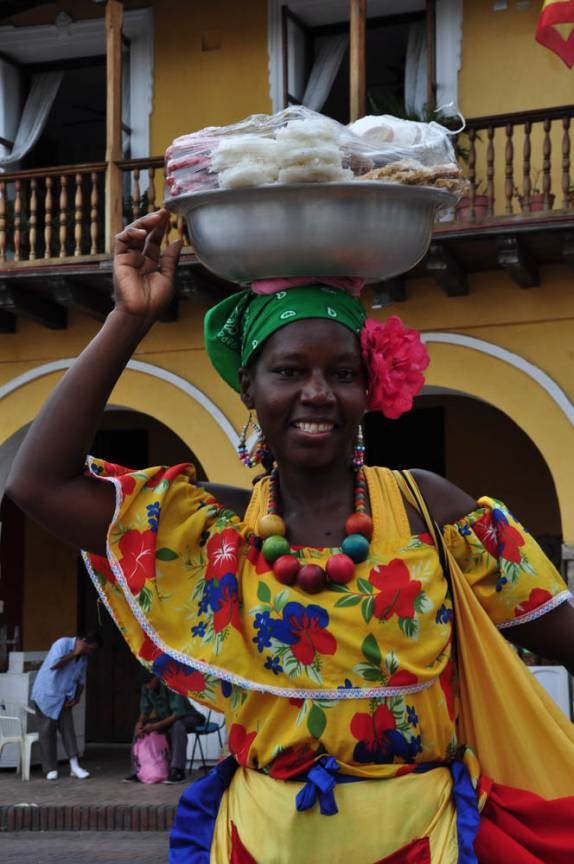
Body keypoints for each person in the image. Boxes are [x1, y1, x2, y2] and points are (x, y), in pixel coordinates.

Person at [6, 209, 574, 862]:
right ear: (248, 385)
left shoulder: (430, 509)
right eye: (288, 372)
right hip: (260, 841)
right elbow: (40, 484)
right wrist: (129, 317)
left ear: (370, 387)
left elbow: (562, 631)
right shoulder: (211, 530)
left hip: (423, 842)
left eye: (341, 373)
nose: (316, 393)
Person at [30, 631, 102, 780]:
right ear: (82, 641)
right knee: (46, 731)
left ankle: (75, 766)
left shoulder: (83, 659)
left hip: (63, 696)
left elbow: (81, 681)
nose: (90, 652)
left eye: (93, 650)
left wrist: (77, 698)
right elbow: (55, 665)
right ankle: (50, 769)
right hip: (46, 693)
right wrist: (75, 653)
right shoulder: (62, 644)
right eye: (89, 648)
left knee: (68, 730)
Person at [124, 674, 205, 784]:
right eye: (145, 684)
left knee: (178, 726)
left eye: (149, 682)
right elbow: (145, 710)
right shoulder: (146, 687)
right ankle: (137, 770)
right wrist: (140, 723)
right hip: (166, 718)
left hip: (188, 717)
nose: (148, 686)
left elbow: (178, 714)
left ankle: (178, 771)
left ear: (156, 677)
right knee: (139, 728)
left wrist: (156, 726)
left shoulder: (172, 684)